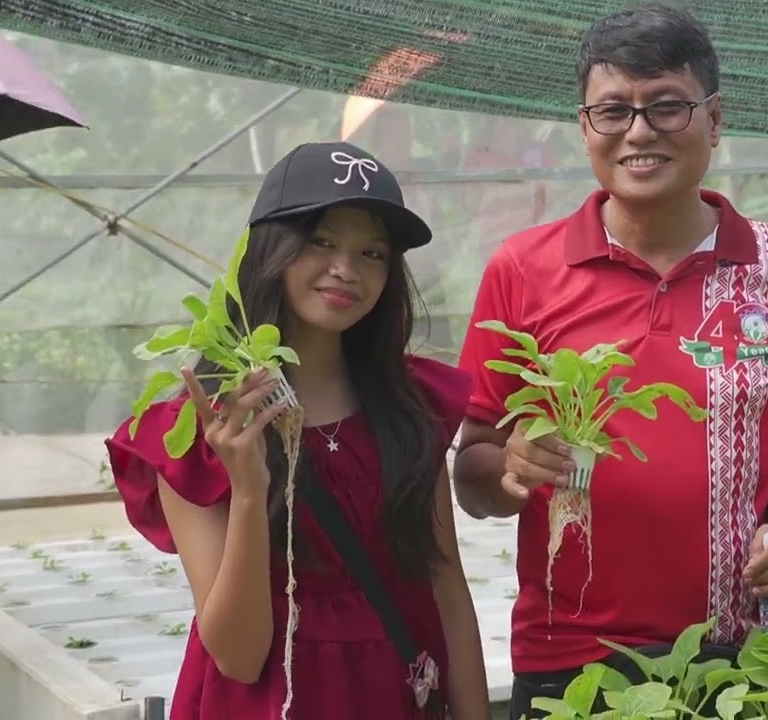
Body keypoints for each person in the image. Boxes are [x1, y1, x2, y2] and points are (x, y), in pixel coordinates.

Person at [452, 4, 768, 716]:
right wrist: (509, 469)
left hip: (749, 652)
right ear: (585, 128)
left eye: (667, 106)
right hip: (572, 660)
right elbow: (471, 469)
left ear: (715, 119)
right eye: (613, 111)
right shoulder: (523, 268)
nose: (638, 131)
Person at [105, 141, 489, 719]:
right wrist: (250, 492)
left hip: (393, 695)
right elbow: (238, 656)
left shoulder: (413, 407)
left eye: (373, 253)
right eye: (321, 241)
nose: (346, 269)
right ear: (270, 248)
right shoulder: (194, 429)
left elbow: (446, 589)